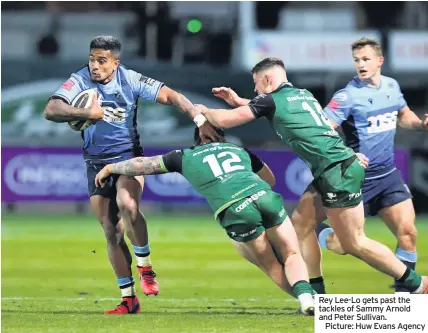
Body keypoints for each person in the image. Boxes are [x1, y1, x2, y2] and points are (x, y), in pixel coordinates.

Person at [197, 57, 428, 294]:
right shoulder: (303, 94)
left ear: (267, 79)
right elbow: (283, 111)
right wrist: (238, 101)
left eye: (256, 83)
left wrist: (197, 109)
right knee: (300, 227)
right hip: (337, 166)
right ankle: (317, 295)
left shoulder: (272, 101)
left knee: (354, 243)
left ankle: (418, 283)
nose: (255, 89)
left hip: (337, 171)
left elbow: (225, 120)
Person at [44, 35, 220, 314]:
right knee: (111, 232)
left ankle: (145, 266)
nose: (95, 66)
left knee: (128, 204)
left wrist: (198, 119)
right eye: (92, 59)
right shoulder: (79, 80)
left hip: (128, 158)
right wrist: (86, 112)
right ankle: (129, 300)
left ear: (116, 62)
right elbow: (51, 109)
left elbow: (172, 96)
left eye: (102, 61)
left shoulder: (130, 80)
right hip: (95, 162)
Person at [95, 127, 317, 316]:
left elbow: (144, 165)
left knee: (270, 264)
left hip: (235, 209)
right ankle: (311, 298)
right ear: (222, 138)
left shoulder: (184, 155)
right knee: (291, 254)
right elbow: (270, 179)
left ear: (196, 139)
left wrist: (110, 168)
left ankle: (308, 302)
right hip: (264, 197)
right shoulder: (238, 149)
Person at [292, 37, 428, 293]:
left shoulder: (391, 86)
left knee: (408, 233)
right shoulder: (347, 97)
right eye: (356, 60)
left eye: (365, 59)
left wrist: (420, 123)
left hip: (387, 175)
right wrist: (346, 153)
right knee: (343, 245)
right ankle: (321, 238)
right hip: (354, 177)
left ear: (380, 61)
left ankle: (405, 297)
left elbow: (404, 115)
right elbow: (320, 132)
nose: (361, 64)